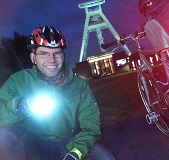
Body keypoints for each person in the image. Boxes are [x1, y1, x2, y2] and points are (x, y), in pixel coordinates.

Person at [0, 26, 116, 160]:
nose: (52, 60)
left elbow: (91, 127)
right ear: (33, 58)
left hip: (67, 143)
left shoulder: (80, 86)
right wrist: (18, 106)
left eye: (57, 53)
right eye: (44, 53)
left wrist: (76, 153)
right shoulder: (18, 81)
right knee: (2, 136)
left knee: (105, 158)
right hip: (33, 143)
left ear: (63, 56)